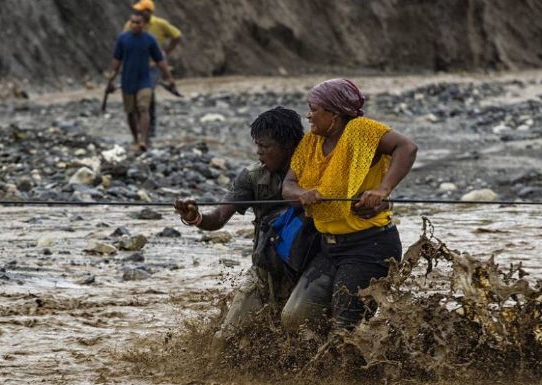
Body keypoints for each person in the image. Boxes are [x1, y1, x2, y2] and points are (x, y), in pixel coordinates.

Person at [281, 78, 418, 333]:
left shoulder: (361, 130)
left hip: (369, 247)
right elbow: (288, 185)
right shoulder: (311, 142)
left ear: (334, 113)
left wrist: (382, 190)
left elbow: (407, 147)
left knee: (346, 329)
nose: (308, 115)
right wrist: (301, 194)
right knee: (294, 318)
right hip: (329, 247)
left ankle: (352, 371)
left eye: (314, 109)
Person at [174, 107, 304, 344]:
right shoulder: (252, 177)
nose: (259, 153)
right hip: (265, 272)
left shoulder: (319, 174)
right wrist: (195, 217)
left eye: (265, 146)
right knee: (224, 341)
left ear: (289, 145)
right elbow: (219, 218)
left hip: (306, 273)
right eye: (258, 146)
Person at [106, 11, 175, 151]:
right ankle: (135, 139)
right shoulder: (123, 39)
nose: (135, 25)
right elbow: (116, 59)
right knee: (130, 111)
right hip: (127, 80)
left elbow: (159, 60)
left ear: (144, 24)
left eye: (138, 22)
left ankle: (143, 140)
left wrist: (169, 77)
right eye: (132, 22)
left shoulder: (150, 40)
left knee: (144, 108)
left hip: (144, 79)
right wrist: (111, 79)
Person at [127, 0, 183, 139]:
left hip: (153, 66)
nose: (137, 13)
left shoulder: (159, 24)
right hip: (135, 66)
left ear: (148, 12)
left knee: (147, 93)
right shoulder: (131, 25)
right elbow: (124, 41)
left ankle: (149, 130)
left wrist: (166, 52)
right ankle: (142, 129)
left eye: (141, 10)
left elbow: (177, 36)